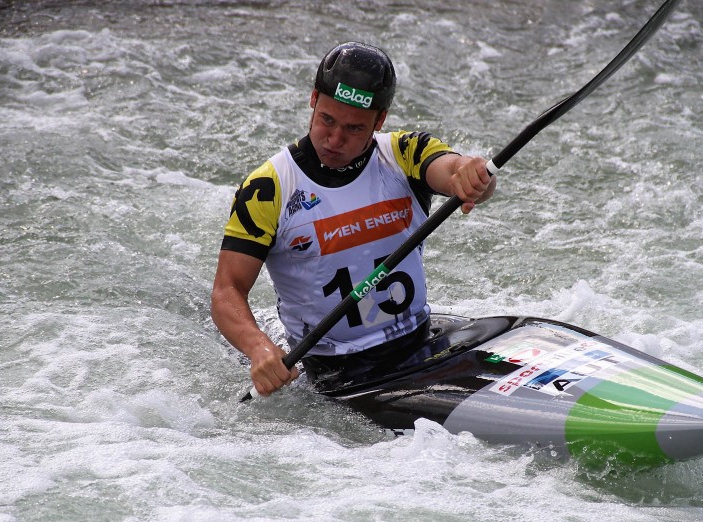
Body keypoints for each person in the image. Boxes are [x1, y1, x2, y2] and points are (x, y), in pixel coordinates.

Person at [211, 41, 496, 397]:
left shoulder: (404, 154)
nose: (334, 139)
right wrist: (258, 348)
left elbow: (455, 170)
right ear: (313, 99)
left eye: (354, 128)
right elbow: (227, 291)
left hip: (419, 342)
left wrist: (474, 177)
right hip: (334, 370)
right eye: (326, 120)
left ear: (379, 120)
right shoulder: (268, 188)